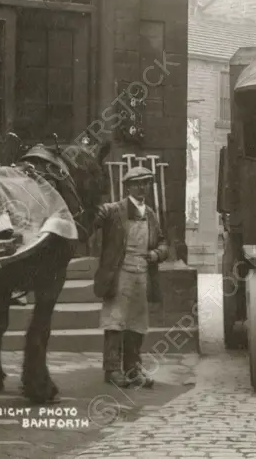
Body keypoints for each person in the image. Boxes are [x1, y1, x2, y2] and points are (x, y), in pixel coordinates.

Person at [90, 166, 169, 388]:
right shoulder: (113, 211)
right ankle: (112, 369)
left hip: (142, 274)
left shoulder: (151, 214)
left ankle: (132, 369)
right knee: (115, 322)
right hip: (119, 274)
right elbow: (94, 218)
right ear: (128, 187)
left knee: (136, 324)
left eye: (146, 182)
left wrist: (156, 254)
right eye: (137, 183)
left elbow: (163, 242)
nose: (142, 187)